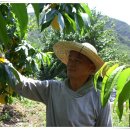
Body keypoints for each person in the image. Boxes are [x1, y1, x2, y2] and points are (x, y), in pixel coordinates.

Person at [8, 41, 112, 127]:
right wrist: (5, 65)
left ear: (91, 69)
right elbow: (23, 84)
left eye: (78, 61)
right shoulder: (52, 89)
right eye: (70, 59)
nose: (71, 63)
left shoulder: (99, 99)